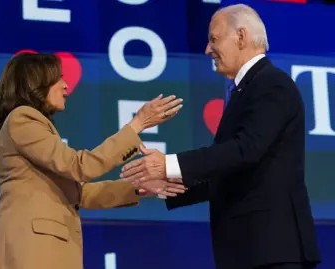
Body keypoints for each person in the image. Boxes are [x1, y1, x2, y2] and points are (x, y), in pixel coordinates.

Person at [120, 4, 321, 269]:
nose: (207, 49)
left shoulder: (273, 84)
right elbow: (230, 170)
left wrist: (168, 164)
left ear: (241, 36)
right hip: (250, 250)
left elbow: (245, 150)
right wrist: (166, 186)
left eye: (214, 39)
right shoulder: (246, 89)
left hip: (273, 249)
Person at [0, 52, 185, 269]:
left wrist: (138, 187)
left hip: (44, 249)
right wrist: (138, 124)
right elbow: (80, 166)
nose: (66, 86)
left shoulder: (34, 126)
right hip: (31, 250)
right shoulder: (23, 118)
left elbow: (80, 193)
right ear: (37, 82)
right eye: (59, 79)